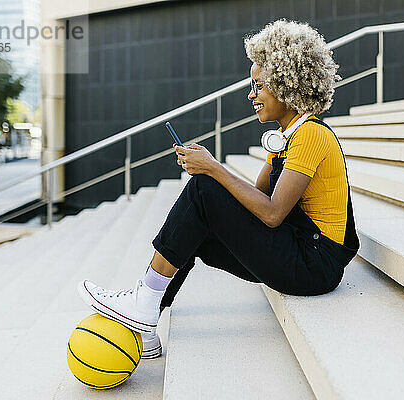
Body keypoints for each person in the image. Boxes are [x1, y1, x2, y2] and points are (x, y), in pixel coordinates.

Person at [77, 19, 359, 359]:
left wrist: (213, 170)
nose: (251, 95)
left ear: (286, 83)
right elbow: (254, 201)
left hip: (314, 265)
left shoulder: (312, 135)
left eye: (258, 85)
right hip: (300, 252)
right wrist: (223, 171)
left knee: (203, 190)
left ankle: (145, 301)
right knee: (197, 225)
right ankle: (147, 317)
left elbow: (271, 214)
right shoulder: (286, 138)